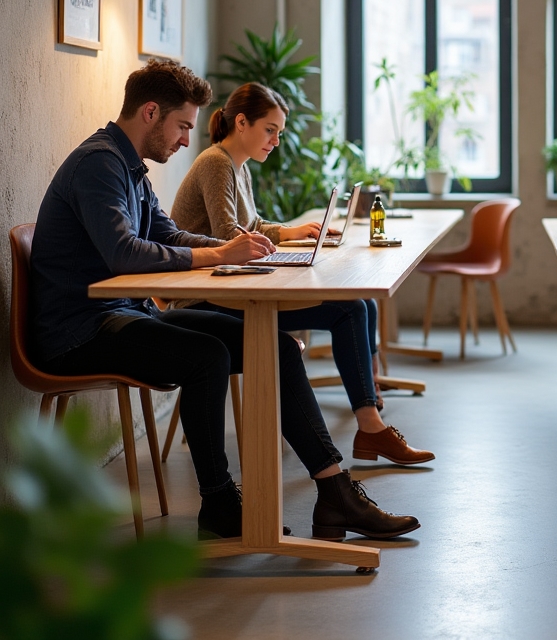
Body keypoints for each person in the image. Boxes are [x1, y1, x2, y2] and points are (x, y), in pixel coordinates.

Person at [30, 59, 420, 541]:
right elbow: (121, 252)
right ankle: (218, 503)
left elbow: (168, 233)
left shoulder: (131, 168)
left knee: (274, 347)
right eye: (181, 126)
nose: (184, 139)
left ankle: (334, 490)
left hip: (123, 314)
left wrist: (229, 250)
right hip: (80, 331)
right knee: (207, 355)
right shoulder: (99, 164)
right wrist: (218, 251)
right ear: (150, 112)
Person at [171, 82, 432, 466]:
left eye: (279, 132)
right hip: (207, 299)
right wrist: (280, 242)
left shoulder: (237, 165)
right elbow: (229, 236)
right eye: (270, 130)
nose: (275, 141)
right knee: (350, 309)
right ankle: (371, 428)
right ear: (241, 122)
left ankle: (370, 422)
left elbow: (252, 223)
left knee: (356, 306)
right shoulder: (215, 163)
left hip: (233, 287)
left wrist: (295, 231)